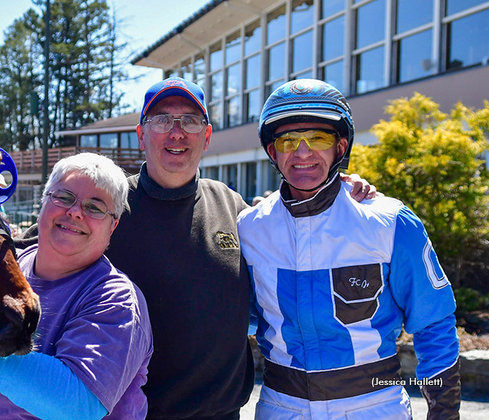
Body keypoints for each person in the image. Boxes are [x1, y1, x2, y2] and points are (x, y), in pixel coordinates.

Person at [100, 77, 375, 420]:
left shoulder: (233, 208)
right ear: (141, 135)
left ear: (207, 135)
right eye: (161, 120)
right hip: (132, 414)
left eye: (190, 120)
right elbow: (43, 248)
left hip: (223, 414)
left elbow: (301, 232)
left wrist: (340, 191)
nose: (176, 131)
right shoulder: (106, 208)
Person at [237, 79, 460, 419]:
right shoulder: (250, 228)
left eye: (319, 138)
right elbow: (233, 322)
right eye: (287, 140)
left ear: (340, 148)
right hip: (281, 407)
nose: (302, 152)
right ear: (272, 151)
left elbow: (434, 324)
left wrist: (444, 413)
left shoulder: (390, 221)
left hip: (374, 407)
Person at [0, 153, 153, 419]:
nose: (75, 212)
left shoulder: (116, 298)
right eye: (64, 197)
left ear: (112, 226)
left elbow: (78, 407)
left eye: (94, 208)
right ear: (43, 203)